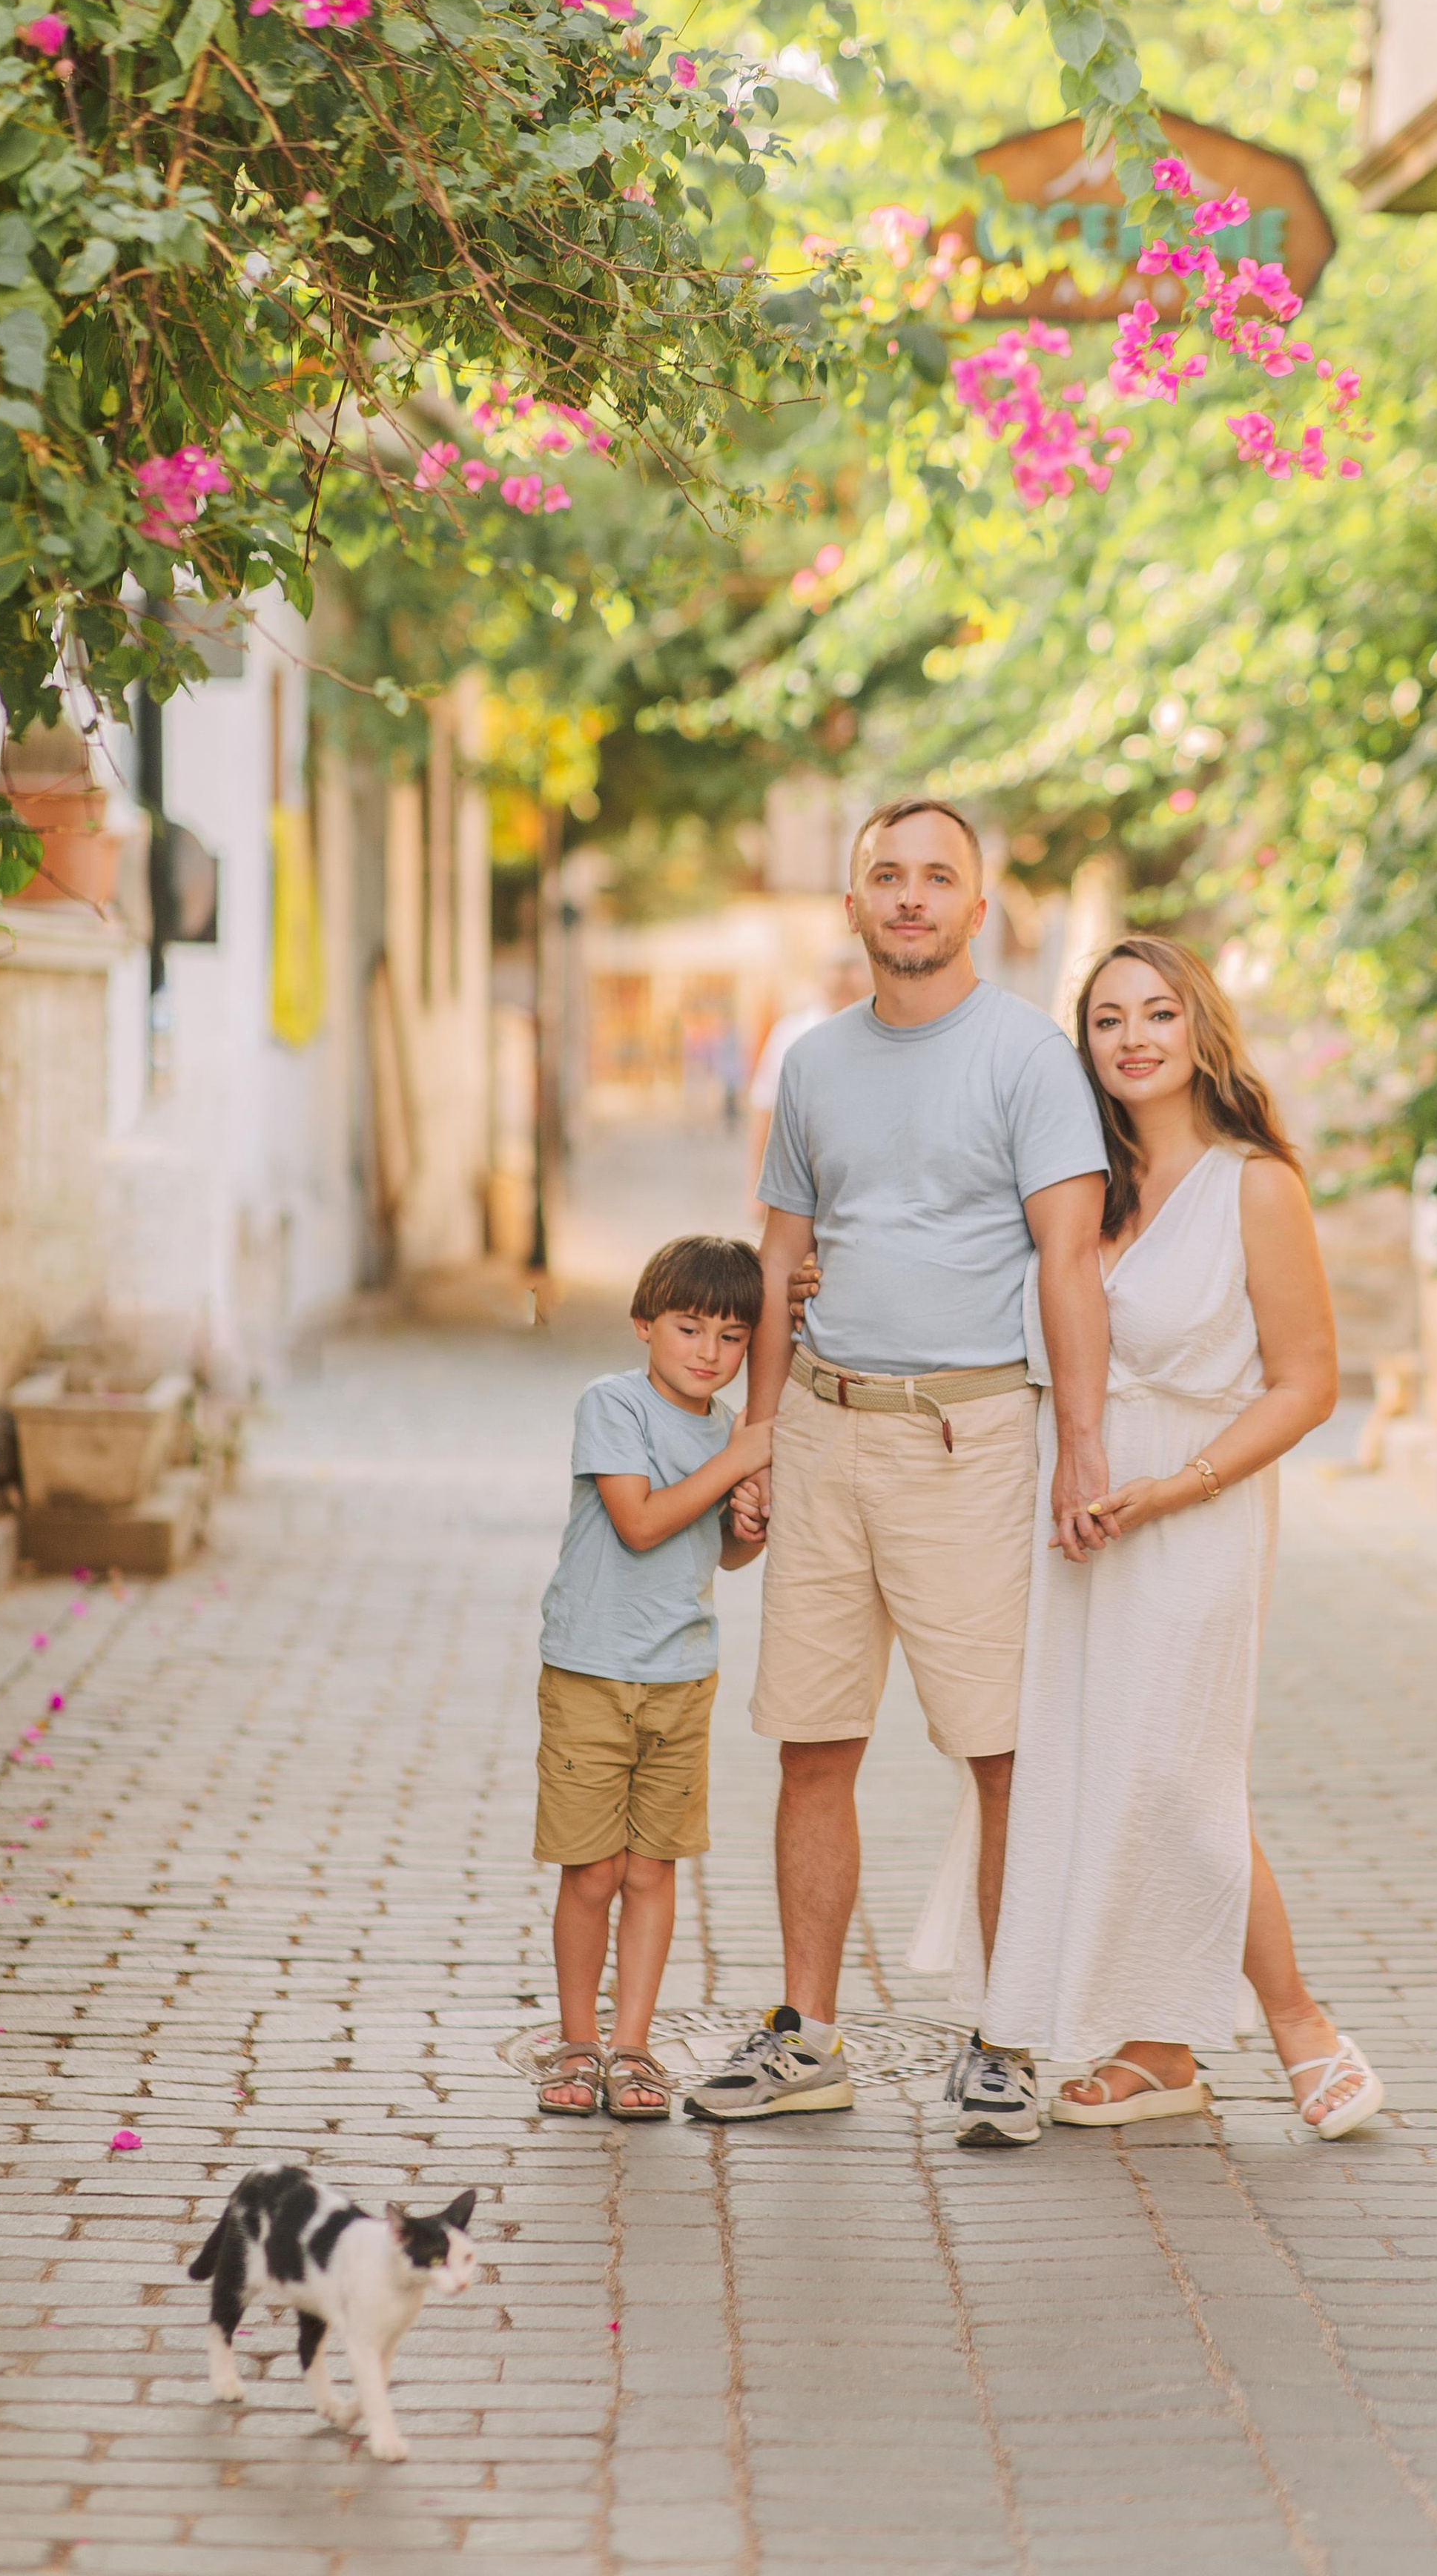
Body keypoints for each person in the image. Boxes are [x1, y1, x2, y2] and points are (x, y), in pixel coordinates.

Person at [681, 796, 1111, 2135]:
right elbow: (777, 1252)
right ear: (855, 905)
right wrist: (754, 1436)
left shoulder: (1031, 1058)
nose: (912, 898)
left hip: (966, 1437)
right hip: (821, 1424)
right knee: (813, 1744)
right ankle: (807, 2037)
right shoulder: (813, 1064)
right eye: (888, 877)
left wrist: (1077, 1443)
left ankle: (1008, 2039)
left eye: (938, 879)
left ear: (978, 908)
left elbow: (1069, 1261)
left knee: (999, 1752)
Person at [979, 934, 1384, 2141]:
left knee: (1179, 1774)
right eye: (1108, 1020)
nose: (1135, 1038)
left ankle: (1304, 2026)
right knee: (1108, 1766)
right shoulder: (1072, 1186)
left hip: (1196, 1510)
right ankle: (1158, 2052)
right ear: (1085, 1044)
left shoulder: (1254, 1182)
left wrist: (1176, 1487)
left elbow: (1308, 1385)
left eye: (1159, 1013)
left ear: (1201, 1028)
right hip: (1078, 1510)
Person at [532, 1235, 771, 2123]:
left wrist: (753, 1515)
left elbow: (731, 1554)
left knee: (651, 1870)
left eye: (731, 1336)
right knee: (591, 1870)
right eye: (688, 1328)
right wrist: (738, 1463)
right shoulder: (613, 1405)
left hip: (680, 1674)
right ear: (644, 1325)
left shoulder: (727, 1432)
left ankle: (632, 2045)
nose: (708, 1353)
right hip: (592, 1670)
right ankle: (576, 2041)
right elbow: (636, 1523)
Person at [745, 955, 871, 1198]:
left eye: (851, 990)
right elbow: (765, 1107)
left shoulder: (881, 1032)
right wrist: (756, 1185)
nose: (843, 996)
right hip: (804, 1175)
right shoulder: (791, 1033)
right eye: (837, 990)